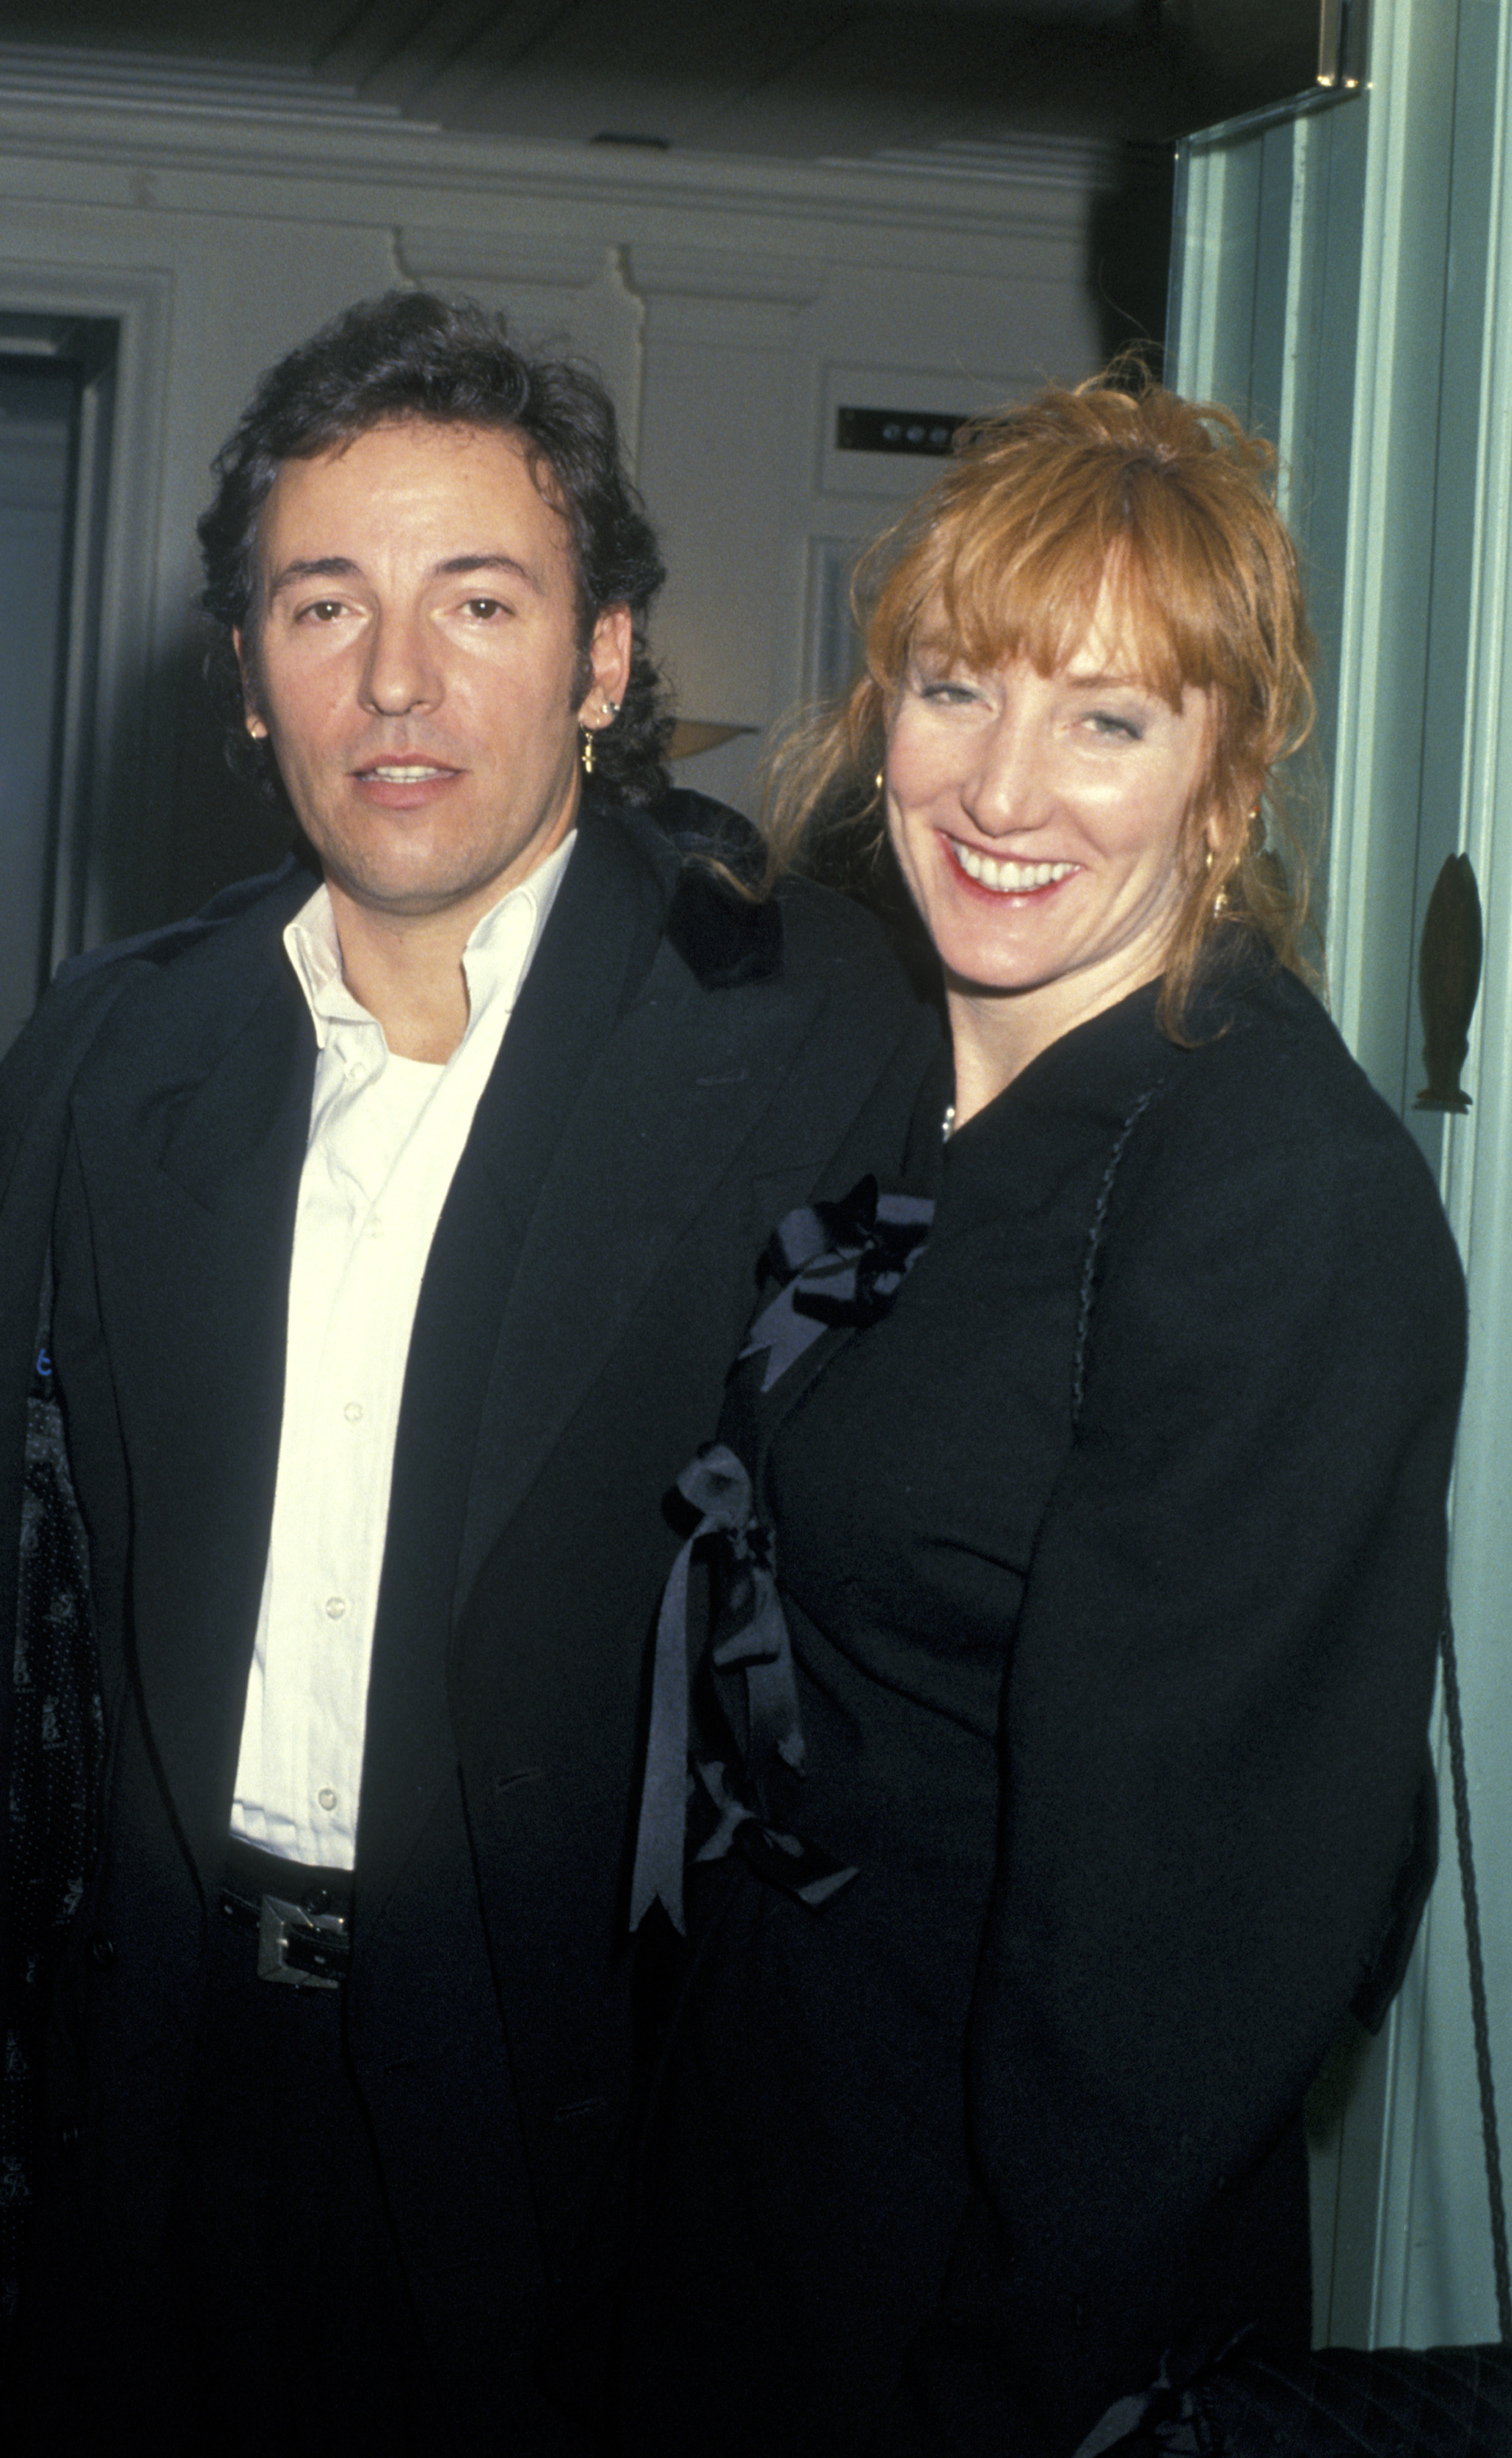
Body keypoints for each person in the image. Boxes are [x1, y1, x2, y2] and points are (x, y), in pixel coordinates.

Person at [0, 291, 939, 2451]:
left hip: (582, 2129)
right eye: (326, 603)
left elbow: (894, 1676)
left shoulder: (814, 1040)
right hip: (144, 2084)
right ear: (244, 675)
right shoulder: (113, 1054)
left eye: (478, 600)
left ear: (599, 662)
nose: (397, 679)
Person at [613, 374, 1468, 2457]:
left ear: (1228, 770)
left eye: (1109, 719)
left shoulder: (1264, 1177)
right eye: (954, 687)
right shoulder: (877, 1065)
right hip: (738, 2187)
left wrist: (1019, 2382)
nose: (1003, 789)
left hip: (1001, 2288)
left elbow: (1195, 1945)